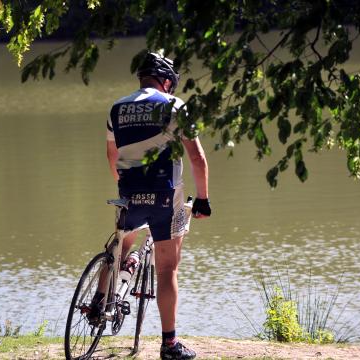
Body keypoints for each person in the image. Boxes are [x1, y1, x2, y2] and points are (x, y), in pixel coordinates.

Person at [105, 52, 211, 360]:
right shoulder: (175, 106)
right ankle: (169, 345)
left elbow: (112, 157)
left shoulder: (117, 108)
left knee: (120, 244)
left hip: (129, 191)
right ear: (167, 81)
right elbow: (197, 159)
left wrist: (126, 186)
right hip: (164, 194)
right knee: (167, 268)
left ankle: (101, 301)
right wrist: (202, 199)